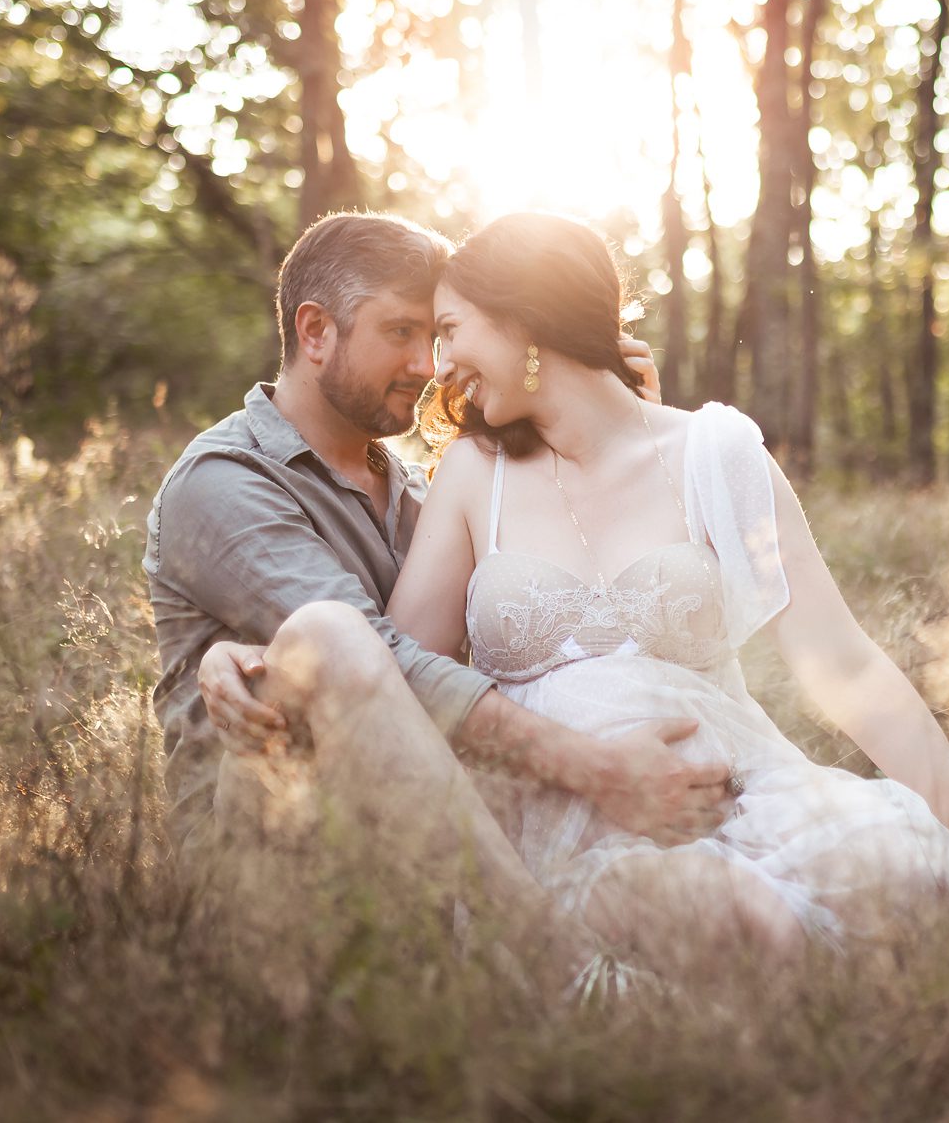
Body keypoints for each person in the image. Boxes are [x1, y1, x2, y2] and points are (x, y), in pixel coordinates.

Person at [372, 211, 949, 987]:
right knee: (756, 938)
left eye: (452, 327)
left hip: (749, 799)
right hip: (561, 828)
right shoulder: (474, 476)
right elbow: (403, 673)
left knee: (938, 902)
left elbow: (844, 666)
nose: (438, 359)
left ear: (524, 320)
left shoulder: (716, 457)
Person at [145, 211, 728, 990]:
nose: (429, 362)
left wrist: (609, 418)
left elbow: (542, 636)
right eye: (400, 331)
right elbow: (384, 660)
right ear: (315, 332)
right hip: (268, 861)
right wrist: (595, 768)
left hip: (403, 837)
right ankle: (568, 982)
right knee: (333, 632)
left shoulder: (417, 488)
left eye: (441, 334)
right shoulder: (224, 482)